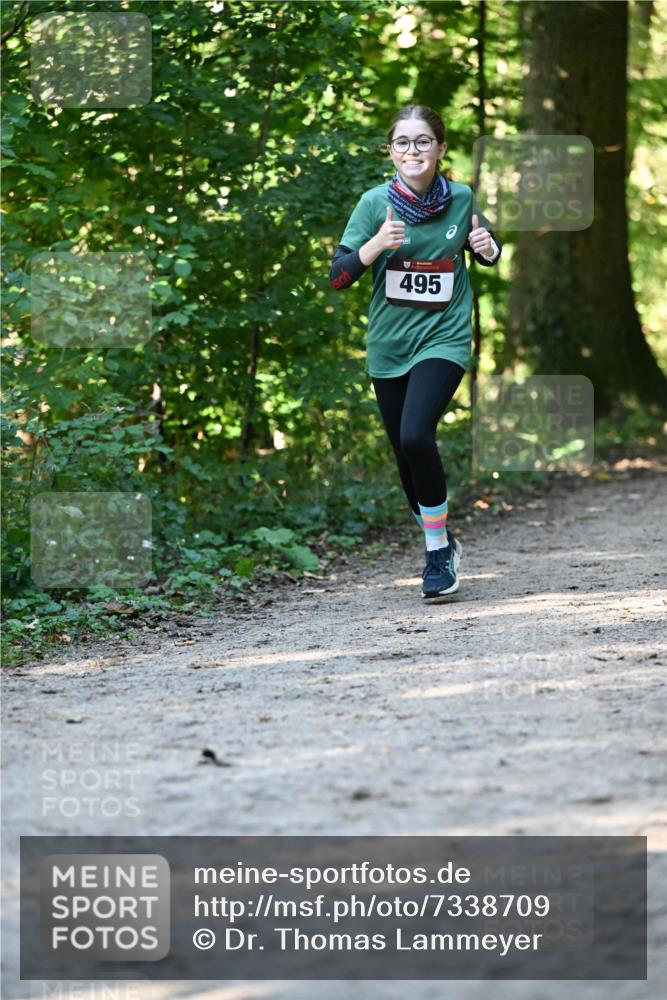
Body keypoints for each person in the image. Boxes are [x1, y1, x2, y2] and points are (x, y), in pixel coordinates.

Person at [329, 104, 502, 601]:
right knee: (405, 454)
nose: (413, 150)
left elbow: (489, 251)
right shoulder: (373, 204)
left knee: (416, 435)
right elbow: (338, 277)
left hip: (444, 338)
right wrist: (375, 245)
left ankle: (436, 554)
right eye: (402, 142)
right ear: (390, 151)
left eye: (423, 141)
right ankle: (443, 538)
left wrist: (488, 248)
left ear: (440, 148)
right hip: (389, 346)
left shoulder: (462, 198)